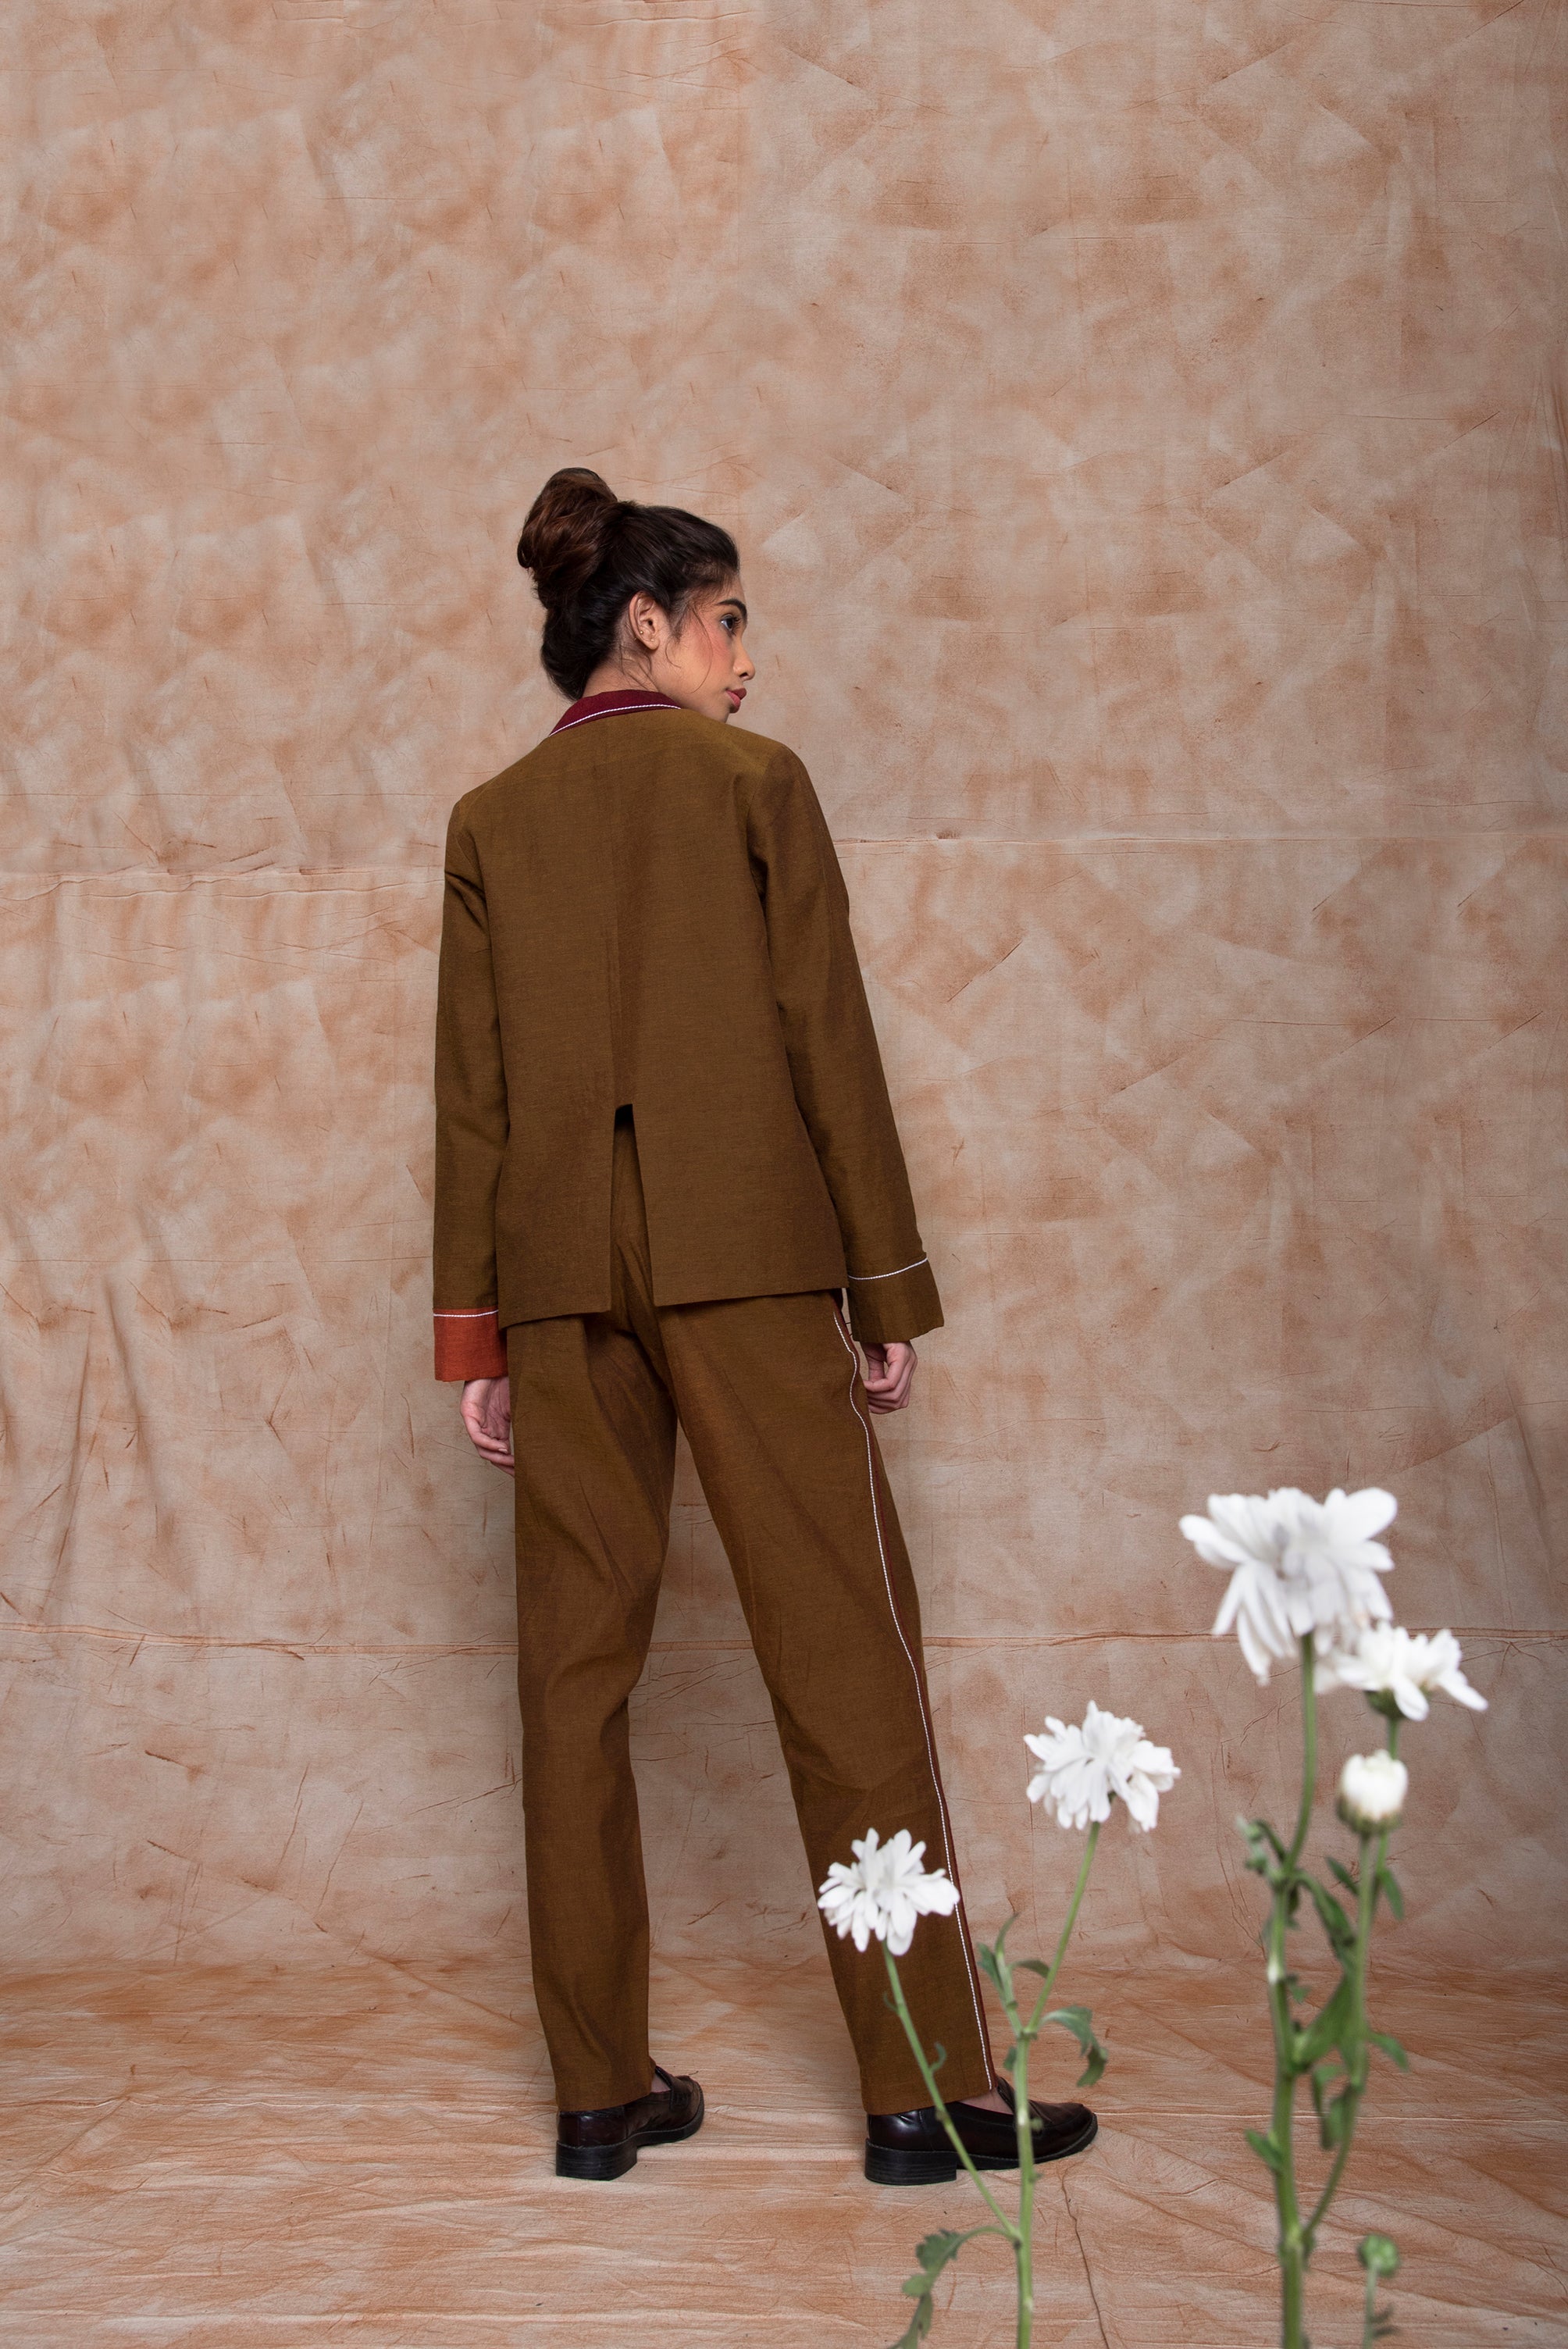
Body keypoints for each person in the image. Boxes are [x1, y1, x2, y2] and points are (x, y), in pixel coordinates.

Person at [432, 467, 1097, 2185]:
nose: (746, 659)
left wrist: (476, 1335)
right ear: (648, 624)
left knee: (570, 1686)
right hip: (746, 1260)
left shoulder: (490, 821)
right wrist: (882, 1292)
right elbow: (827, 1043)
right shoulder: (754, 783)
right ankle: (921, 2090)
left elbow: (473, 1101)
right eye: (728, 623)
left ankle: (598, 2092)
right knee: (845, 1662)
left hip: (559, 1281)